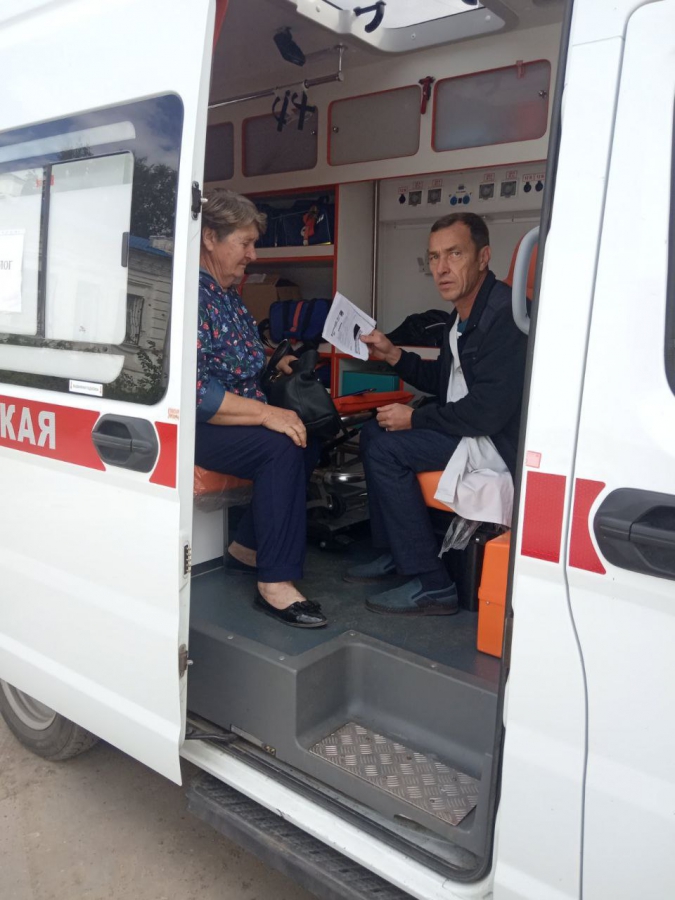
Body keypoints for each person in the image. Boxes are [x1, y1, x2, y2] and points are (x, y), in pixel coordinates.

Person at [345, 212, 528, 616]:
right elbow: (445, 382)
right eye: (434, 257)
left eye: (454, 254)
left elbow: (486, 413)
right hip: (466, 429)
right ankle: (396, 552)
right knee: (374, 433)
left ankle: (433, 583)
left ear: (483, 257)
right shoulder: (458, 316)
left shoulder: (505, 317)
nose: (441, 268)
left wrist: (414, 419)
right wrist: (394, 354)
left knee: (386, 450)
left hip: (493, 441)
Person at [195, 189, 326, 628]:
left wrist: (274, 362)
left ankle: (246, 549)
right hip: (200, 424)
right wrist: (269, 414)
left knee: (307, 436)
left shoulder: (228, 294)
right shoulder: (192, 296)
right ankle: (275, 583)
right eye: (245, 243)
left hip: (235, 415)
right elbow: (198, 392)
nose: (253, 254)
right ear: (210, 238)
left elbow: (239, 355)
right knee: (281, 446)